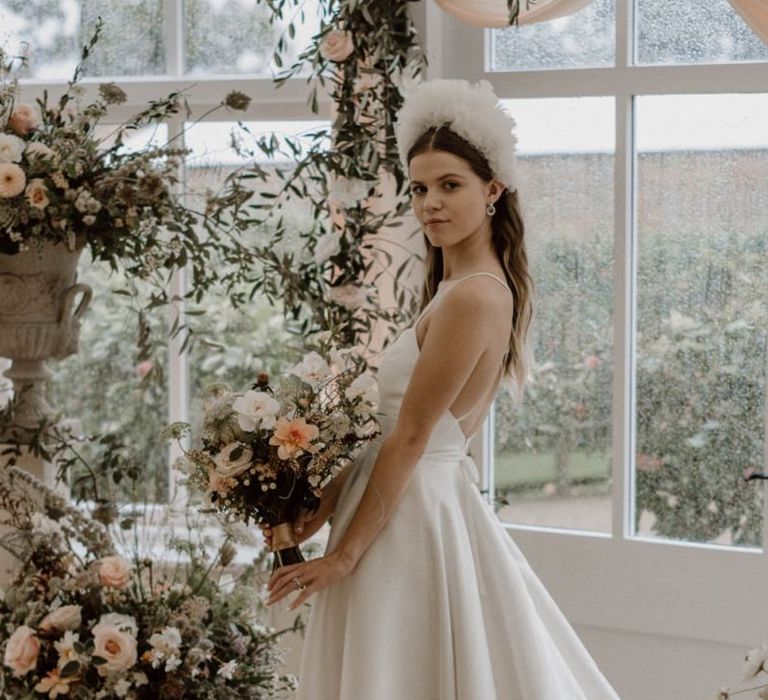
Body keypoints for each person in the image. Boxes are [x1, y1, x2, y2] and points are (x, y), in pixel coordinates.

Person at [262, 79, 622, 699]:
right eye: (420, 188)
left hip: (413, 518)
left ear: (493, 190)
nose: (430, 203)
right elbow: (387, 437)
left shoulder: (476, 296)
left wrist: (344, 557)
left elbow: (411, 439)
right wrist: (314, 511)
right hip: (402, 504)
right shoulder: (455, 290)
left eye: (450, 185)